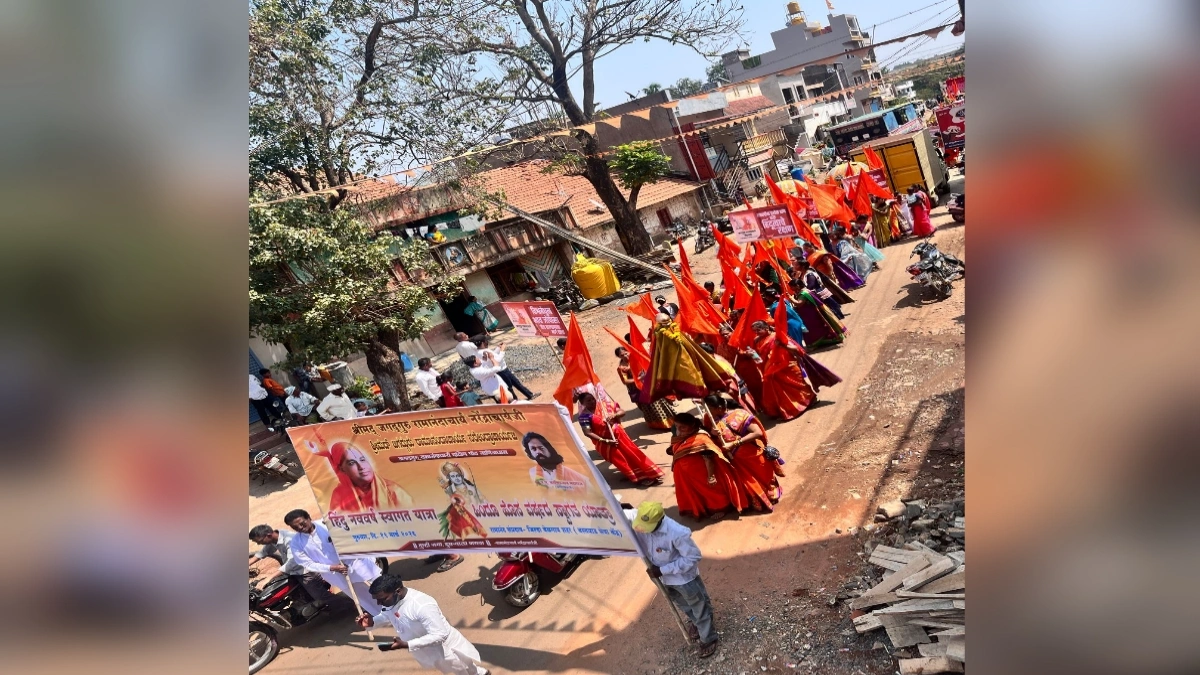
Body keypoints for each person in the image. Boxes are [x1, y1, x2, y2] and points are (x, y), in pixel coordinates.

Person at [627, 502, 719, 658]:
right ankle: (698, 623)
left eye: (647, 527)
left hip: (683, 580)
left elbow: (693, 557)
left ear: (659, 521)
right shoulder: (638, 516)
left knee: (699, 607)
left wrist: (662, 570)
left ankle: (708, 638)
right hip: (664, 580)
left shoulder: (677, 533)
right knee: (684, 605)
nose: (642, 530)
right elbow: (620, 513)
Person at [357, 574, 490, 675]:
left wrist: (408, 644)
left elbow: (440, 634)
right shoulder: (391, 601)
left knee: (461, 669)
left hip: (445, 650)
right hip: (428, 649)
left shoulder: (421, 605)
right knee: (465, 668)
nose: (379, 603)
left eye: (382, 599)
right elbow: (387, 615)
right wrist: (372, 622)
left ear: (398, 591)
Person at [285, 509, 383, 615]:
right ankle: (382, 617)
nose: (300, 528)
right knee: (363, 598)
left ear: (308, 518)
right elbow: (307, 564)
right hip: (335, 575)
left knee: (382, 587)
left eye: (302, 523)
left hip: (356, 563)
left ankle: (396, 609)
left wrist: (340, 538)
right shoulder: (295, 543)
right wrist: (332, 568)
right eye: (295, 527)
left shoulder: (327, 525)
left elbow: (353, 534)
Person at [750, 320, 841, 420]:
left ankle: (810, 400)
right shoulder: (758, 341)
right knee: (780, 392)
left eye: (758, 330)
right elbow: (760, 356)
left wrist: (782, 345)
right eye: (755, 331)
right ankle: (788, 410)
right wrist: (753, 354)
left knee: (799, 387)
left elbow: (796, 349)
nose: (756, 333)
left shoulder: (777, 336)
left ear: (766, 328)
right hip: (772, 370)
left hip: (788, 367)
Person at [667, 412, 748, 520]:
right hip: (692, 475)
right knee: (701, 493)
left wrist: (711, 476)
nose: (678, 430)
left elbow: (708, 460)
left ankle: (722, 508)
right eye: (677, 426)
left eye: (682, 427)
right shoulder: (684, 435)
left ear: (692, 426)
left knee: (712, 492)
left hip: (703, 473)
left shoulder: (702, 439)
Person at [704, 395, 783, 504]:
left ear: (719, 408)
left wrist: (734, 444)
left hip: (752, 455)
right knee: (748, 482)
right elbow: (709, 438)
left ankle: (772, 495)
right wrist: (712, 433)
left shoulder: (739, 415)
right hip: (735, 460)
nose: (707, 411)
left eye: (709, 408)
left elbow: (757, 432)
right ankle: (759, 501)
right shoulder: (710, 419)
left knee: (764, 478)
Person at [575, 390, 664, 486]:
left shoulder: (605, 406)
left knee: (633, 454)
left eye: (593, 399)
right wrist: (605, 441)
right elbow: (587, 432)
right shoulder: (584, 417)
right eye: (588, 401)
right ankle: (635, 475)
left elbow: (622, 412)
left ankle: (649, 475)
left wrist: (615, 415)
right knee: (621, 460)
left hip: (620, 437)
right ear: (582, 404)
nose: (592, 401)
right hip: (607, 443)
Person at [249, 524, 333, 606]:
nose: (259, 544)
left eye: (260, 541)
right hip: (293, 571)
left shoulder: (289, 540)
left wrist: (268, 578)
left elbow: (292, 563)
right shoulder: (275, 538)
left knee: (322, 597)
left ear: (268, 535)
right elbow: (263, 552)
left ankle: (338, 606)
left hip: (306, 571)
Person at [325, 441, 414, 513]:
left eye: (362, 460)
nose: (361, 466)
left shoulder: (393, 491)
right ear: (342, 469)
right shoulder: (339, 495)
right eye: (352, 463)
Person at [522, 431, 590, 492]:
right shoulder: (531, 473)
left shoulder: (578, 478)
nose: (538, 452)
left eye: (541, 448)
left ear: (549, 449)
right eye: (533, 449)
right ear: (530, 453)